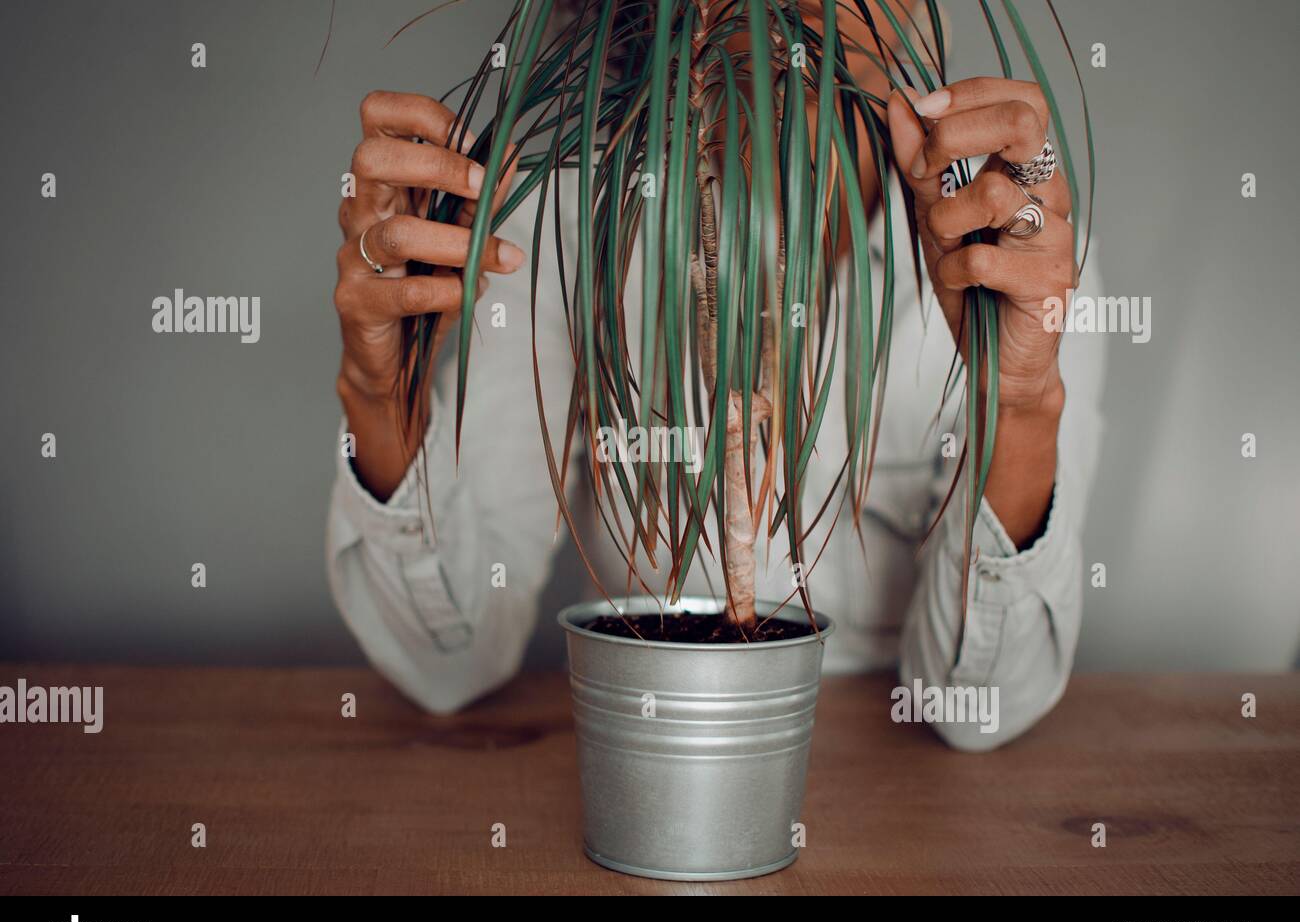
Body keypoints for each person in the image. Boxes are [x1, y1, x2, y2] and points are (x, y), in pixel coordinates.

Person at [326, 9, 1103, 751]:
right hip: (653, 746)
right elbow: (448, 661)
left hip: (900, 794)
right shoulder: (561, 217)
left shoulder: (1009, 244)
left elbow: (979, 708)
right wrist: (377, 387)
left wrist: (1021, 401)